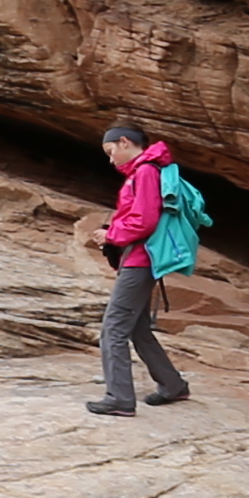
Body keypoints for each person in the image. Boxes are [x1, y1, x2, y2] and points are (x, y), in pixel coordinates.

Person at [89, 116, 198, 416]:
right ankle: (173, 385)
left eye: (111, 151)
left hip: (140, 260)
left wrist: (111, 233)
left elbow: (145, 220)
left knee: (112, 329)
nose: (111, 160)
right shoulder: (147, 171)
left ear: (125, 142)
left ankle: (120, 398)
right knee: (137, 328)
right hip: (141, 259)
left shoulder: (146, 172)